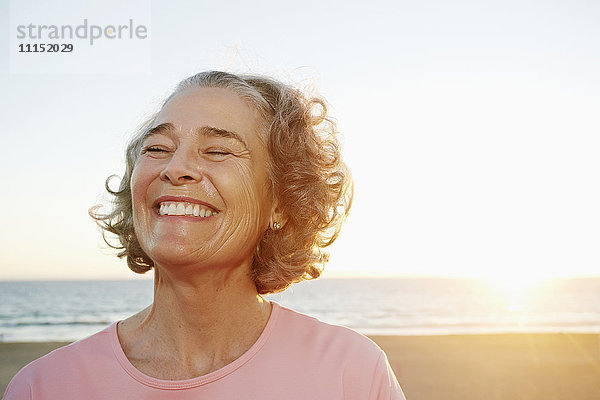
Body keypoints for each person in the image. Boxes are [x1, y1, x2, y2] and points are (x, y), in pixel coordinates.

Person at [3, 71, 406, 399]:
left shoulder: (351, 372)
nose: (176, 167)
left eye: (217, 151)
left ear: (281, 203)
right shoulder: (44, 386)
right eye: (157, 148)